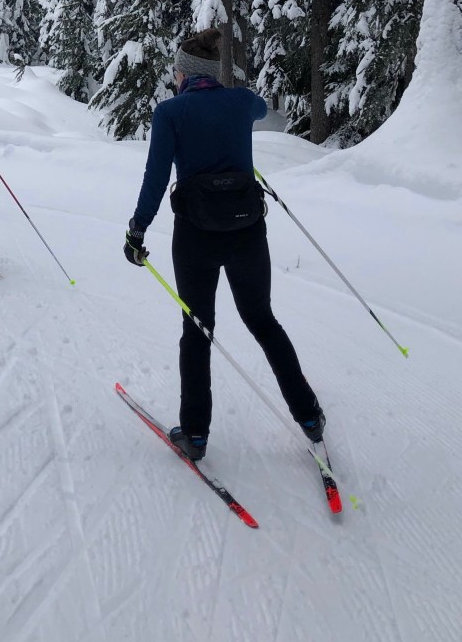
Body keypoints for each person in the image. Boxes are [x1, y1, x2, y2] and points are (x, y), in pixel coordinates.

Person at [123, 28, 325, 461]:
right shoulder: (240, 102)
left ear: (183, 73)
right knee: (262, 320)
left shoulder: (170, 112)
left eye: (177, 71)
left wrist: (137, 229)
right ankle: (309, 416)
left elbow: (156, 178)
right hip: (247, 229)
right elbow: (255, 106)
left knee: (197, 330)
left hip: (195, 236)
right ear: (213, 74)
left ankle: (195, 434)